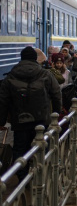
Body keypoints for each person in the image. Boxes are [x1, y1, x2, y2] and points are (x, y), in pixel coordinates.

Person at [0, 46, 62, 180]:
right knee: (42, 146)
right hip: (41, 119)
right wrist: (56, 115)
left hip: (20, 120)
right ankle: (41, 177)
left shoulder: (10, 76)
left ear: (21, 58)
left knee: (20, 149)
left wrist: (1, 121)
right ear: (35, 59)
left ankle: (23, 179)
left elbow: (3, 101)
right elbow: (57, 94)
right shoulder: (46, 74)